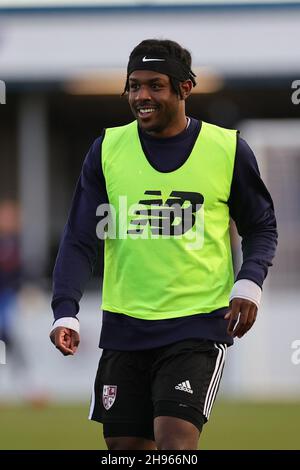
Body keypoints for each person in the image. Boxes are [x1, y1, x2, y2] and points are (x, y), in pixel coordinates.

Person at [50, 39, 277, 450]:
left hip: (197, 324)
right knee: (125, 449)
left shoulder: (227, 150)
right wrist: (65, 310)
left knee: (174, 441)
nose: (141, 96)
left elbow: (261, 226)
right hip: (124, 326)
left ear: (184, 89)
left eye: (155, 85)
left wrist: (249, 284)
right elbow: (80, 237)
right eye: (134, 86)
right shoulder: (106, 150)